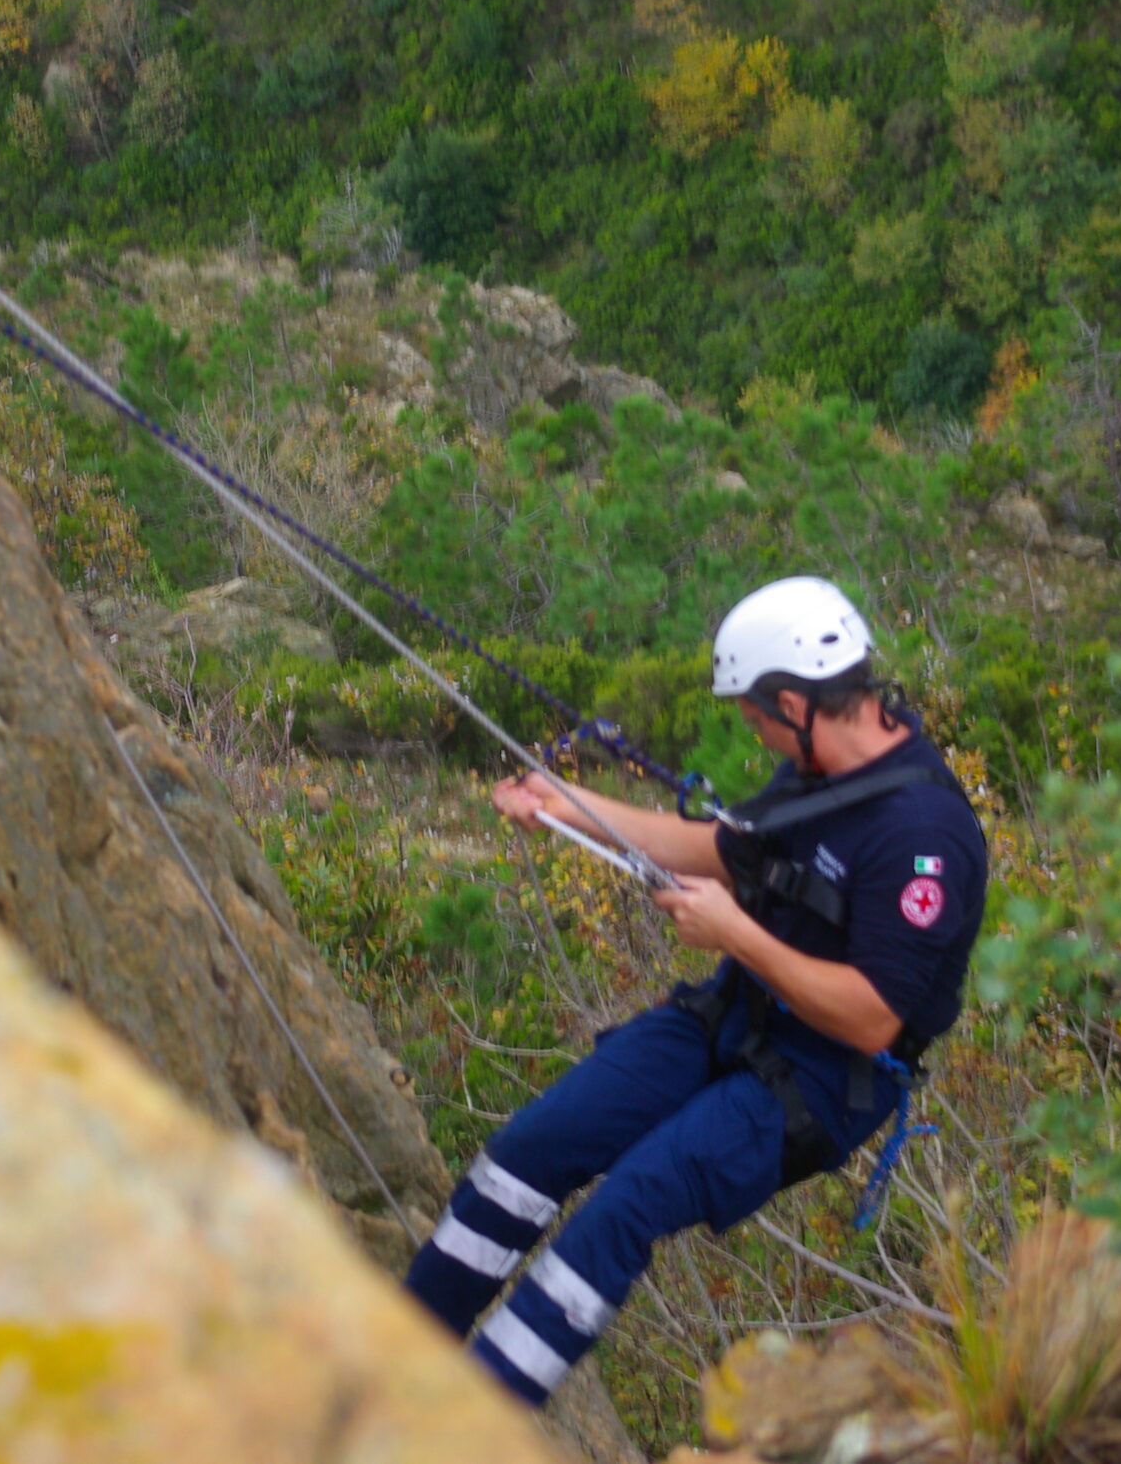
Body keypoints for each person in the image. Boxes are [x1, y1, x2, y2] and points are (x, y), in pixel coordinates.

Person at [402, 576, 989, 1405]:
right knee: (530, 1151)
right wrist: (565, 805)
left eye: (756, 717)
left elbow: (871, 1017)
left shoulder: (923, 838)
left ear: (794, 703)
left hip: (821, 1081)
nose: (755, 735)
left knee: (622, 1212)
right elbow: (711, 846)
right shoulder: (819, 767)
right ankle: (398, 1351)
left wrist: (737, 934)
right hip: (735, 1014)